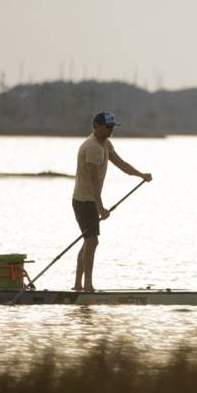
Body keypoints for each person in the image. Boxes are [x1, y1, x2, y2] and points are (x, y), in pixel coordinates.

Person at [72, 111, 152, 292]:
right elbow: (93, 182)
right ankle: (87, 286)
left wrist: (141, 174)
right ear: (96, 126)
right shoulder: (92, 147)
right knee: (92, 242)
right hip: (84, 201)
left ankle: (79, 285)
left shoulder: (106, 144)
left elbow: (121, 164)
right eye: (108, 127)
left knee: (88, 241)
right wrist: (100, 207)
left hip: (90, 200)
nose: (111, 130)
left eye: (112, 127)